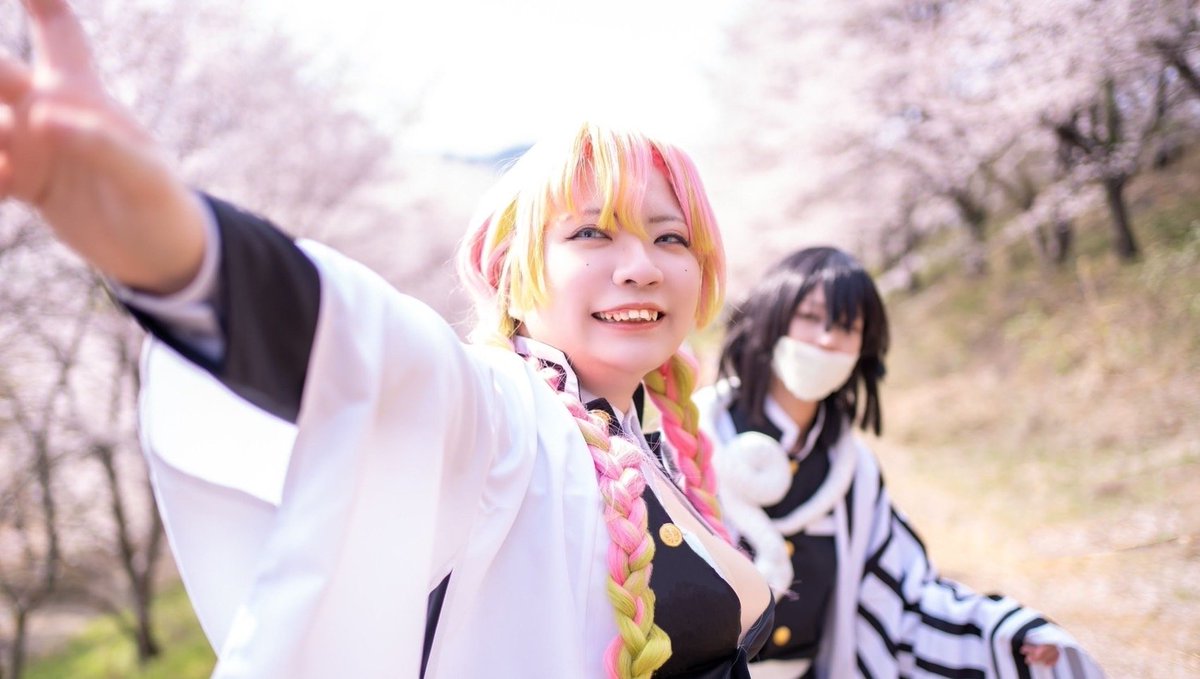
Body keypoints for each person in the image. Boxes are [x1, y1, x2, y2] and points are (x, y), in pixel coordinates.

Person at [0, 2, 772, 678]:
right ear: (509, 274)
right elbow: (360, 347)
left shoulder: (655, 434)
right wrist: (164, 238)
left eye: (670, 237)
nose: (641, 267)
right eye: (593, 232)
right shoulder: (504, 423)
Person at [694, 247, 1105, 679]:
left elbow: (906, 593)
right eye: (811, 317)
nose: (828, 339)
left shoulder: (853, 473)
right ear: (771, 317)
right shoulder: (691, 437)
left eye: (847, 327)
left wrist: (1004, 636)